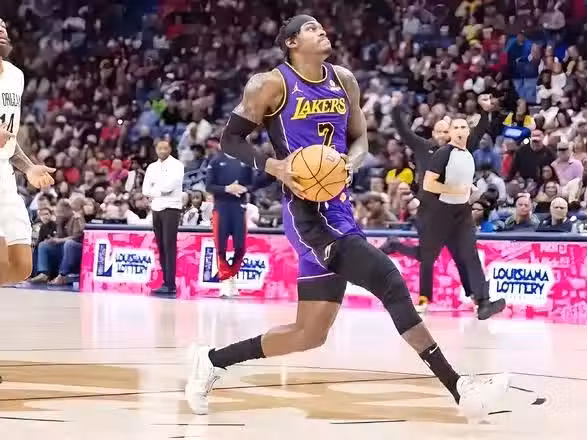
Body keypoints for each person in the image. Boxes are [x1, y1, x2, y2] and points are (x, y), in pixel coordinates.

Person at [185, 15, 509, 422]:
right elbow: (230, 139)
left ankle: (211, 360)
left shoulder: (344, 80)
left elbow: (360, 140)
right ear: (291, 42)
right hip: (306, 214)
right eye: (311, 28)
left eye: (322, 26)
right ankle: (461, 388)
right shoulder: (270, 84)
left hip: (338, 206)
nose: (321, 31)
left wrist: (349, 165)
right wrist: (275, 166)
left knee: (309, 334)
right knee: (389, 279)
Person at [420, 119, 506, 318]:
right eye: (455, 127)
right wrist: (455, 190)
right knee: (436, 256)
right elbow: (429, 184)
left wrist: (486, 112)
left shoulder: (468, 154)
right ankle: (424, 298)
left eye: (463, 127)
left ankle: (483, 302)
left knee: (469, 255)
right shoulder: (443, 154)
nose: (459, 130)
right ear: (450, 132)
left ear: (468, 132)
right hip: (441, 213)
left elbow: (463, 183)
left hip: (461, 212)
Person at [0, 18, 55, 287]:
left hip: (4, 174)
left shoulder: (15, 76)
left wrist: (28, 166)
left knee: (21, 265)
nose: (1, 29)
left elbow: (8, 138)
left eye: (2, 26)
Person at [205, 144, 274, 297]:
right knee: (220, 246)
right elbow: (209, 186)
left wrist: (244, 189)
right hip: (221, 208)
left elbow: (253, 183)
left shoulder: (245, 162)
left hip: (239, 208)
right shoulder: (215, 161)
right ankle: (226, 281)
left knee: (240, 247)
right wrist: (227, 189)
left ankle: (232, 275)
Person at [142, 140, 184, 296]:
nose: (162, 151)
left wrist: (156, 186)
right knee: (161, 246)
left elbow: (169, 188)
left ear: (170, 149)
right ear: (156, 149)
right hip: (156, 208)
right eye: (159, 148)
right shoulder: (151, 167)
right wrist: (159, 190)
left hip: (171, 208)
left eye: (165, 148)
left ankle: (170, 284)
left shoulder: (177, 165)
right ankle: (165, 283)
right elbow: (145, 190)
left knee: (169, 245)